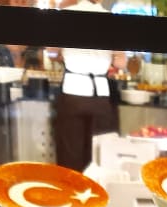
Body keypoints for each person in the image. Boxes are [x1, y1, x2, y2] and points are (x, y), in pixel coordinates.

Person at [51, 0, 126, 171]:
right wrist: (106, 58)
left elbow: (51, 52)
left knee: (70, 158)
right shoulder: (112, 20)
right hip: (100, 96)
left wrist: (65, 55)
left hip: (72, 93)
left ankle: (72, 187)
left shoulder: (66, 15)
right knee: (100, 159)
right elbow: (121, 62)